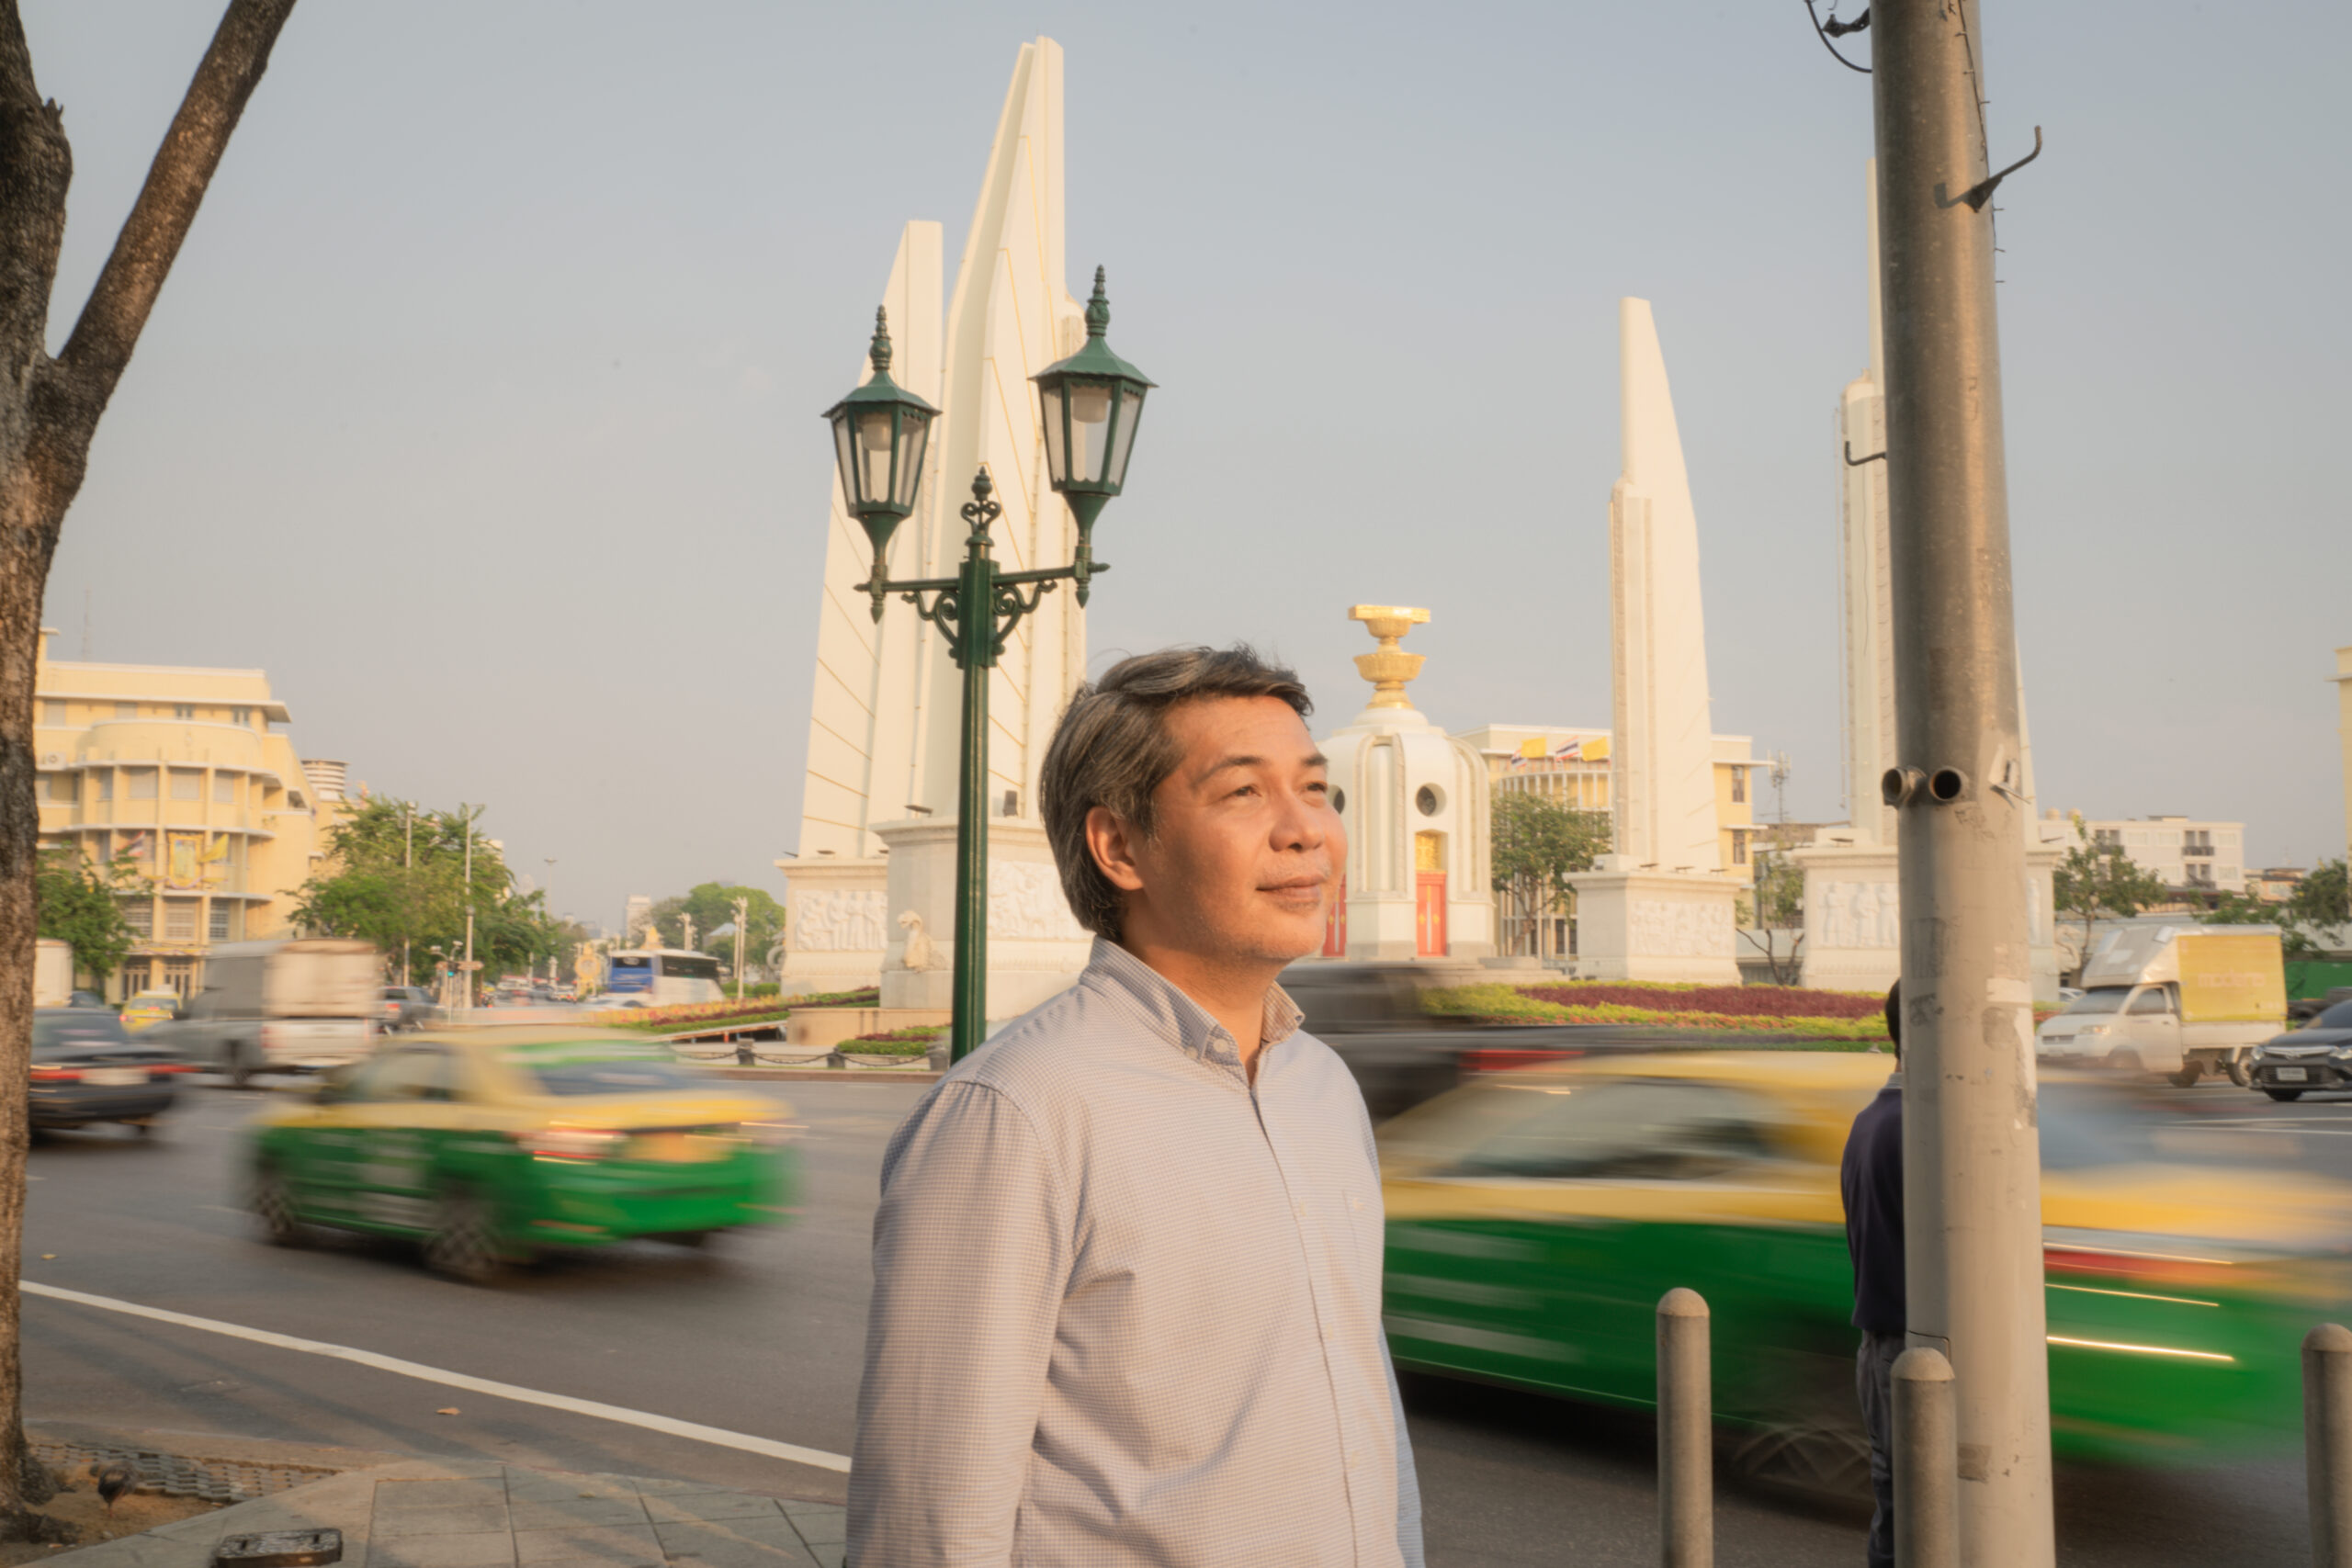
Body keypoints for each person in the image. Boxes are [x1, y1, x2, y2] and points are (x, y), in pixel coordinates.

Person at [846, 645, 1425, 1568]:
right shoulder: (1017, 1113)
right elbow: (932, 1514)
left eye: (1316, 790)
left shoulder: (1321, 1088)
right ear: (1119, 846)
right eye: (1243, 793)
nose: (1304, 830)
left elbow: (1364, 1414)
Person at [1842, 981, 1905, 1568]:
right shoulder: (1922, 1129)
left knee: (1896, 1501)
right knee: (1918, 1510)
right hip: (1912, 1354)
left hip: (1879, 1347)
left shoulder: (1868, 1120)